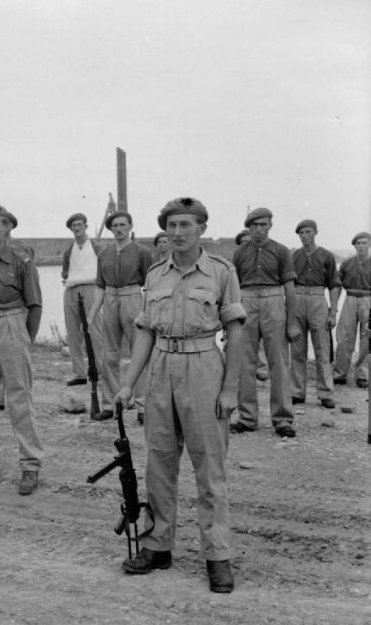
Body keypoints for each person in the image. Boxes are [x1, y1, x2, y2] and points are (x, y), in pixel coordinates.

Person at [118, 197, 245, 594]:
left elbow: (237, 332)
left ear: (201, 229)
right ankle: (158, 545)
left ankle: (217, 555)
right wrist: (129, 383)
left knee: (210, 468)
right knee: (159, 463)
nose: (177, 233)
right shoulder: (156, 274)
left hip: (204, 367)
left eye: (185, 225)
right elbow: (145, 332)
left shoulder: (221, 271)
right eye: (171, 225)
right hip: (160, 370)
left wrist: (229, 389)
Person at [0, 204, 44, 495]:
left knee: (18, 399)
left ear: (8, 228)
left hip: (12, 324)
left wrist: (26, 339)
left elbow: (35, 304)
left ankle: (30, 464)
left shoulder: (20, 259)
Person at [229, 207, 300, 438]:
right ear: (248, 228)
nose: (258, 230)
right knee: (244, 362)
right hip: (246, 300)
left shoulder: (281, 251)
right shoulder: (240, 253)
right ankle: (247, 417)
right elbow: (232, 288)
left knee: (278, 361)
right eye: (254, 226)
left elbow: (290, 289)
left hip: (273, 301)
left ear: (270, 226)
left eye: (263, 225)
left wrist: (292, 322)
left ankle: (283, 419)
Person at [88, 210, 152, 422]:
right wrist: (90, 316)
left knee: (139, 352)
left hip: (132, 297)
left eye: (123, 225)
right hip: (109, 298)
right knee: (109, 355)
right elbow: (99, 286)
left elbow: (149, 284)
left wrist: (147, 310)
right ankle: (111, 404)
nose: (118, 229)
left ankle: (143, 407)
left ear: (130, 226)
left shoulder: (141, 252)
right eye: (115, 225)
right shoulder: (104, 254)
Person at [290, 220, 341, 408]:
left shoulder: (326, 256)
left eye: (308, 231)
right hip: (297, 298)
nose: (304, 235)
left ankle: (326, 392)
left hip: (318, 299)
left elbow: (334, 285)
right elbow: (287, 284)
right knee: (297, 348)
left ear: (315, 232)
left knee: (322, 348)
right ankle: (297, 392)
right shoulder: (293, 256)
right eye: (301, 232)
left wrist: (333, 312)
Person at [61, 213, 110, 402]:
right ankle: (79, 373)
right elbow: (65, 271)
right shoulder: (69, 250)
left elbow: (104, 267)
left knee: (94, 330)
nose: (76, 228)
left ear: (86, 226)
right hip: (71, 289)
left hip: (91, 288)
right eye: (73, 225)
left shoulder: (96, 247)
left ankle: (99, 370)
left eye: (79, 224)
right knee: (73, 332)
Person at [332, 231, 371, 388]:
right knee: (344, 336)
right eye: (358, 243)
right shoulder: (347, 264)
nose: (361, 246)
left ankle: (363, 375)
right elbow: (337, 285)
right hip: (350, 298)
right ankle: (340, 373)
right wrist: (334, 307)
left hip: (368, 299)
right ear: (354, 245)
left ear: (369, 244)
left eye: (364, 243)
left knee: (367, 338)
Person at [234, 229, 268, 381]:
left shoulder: (264, 260)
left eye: (248, 242)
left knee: (259, 334)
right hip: (241, 296)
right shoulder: (236, 259)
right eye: (242, 242)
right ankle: (238, 367)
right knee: (239, 333)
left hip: (262, 299)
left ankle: (260, 367)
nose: (245, 245)